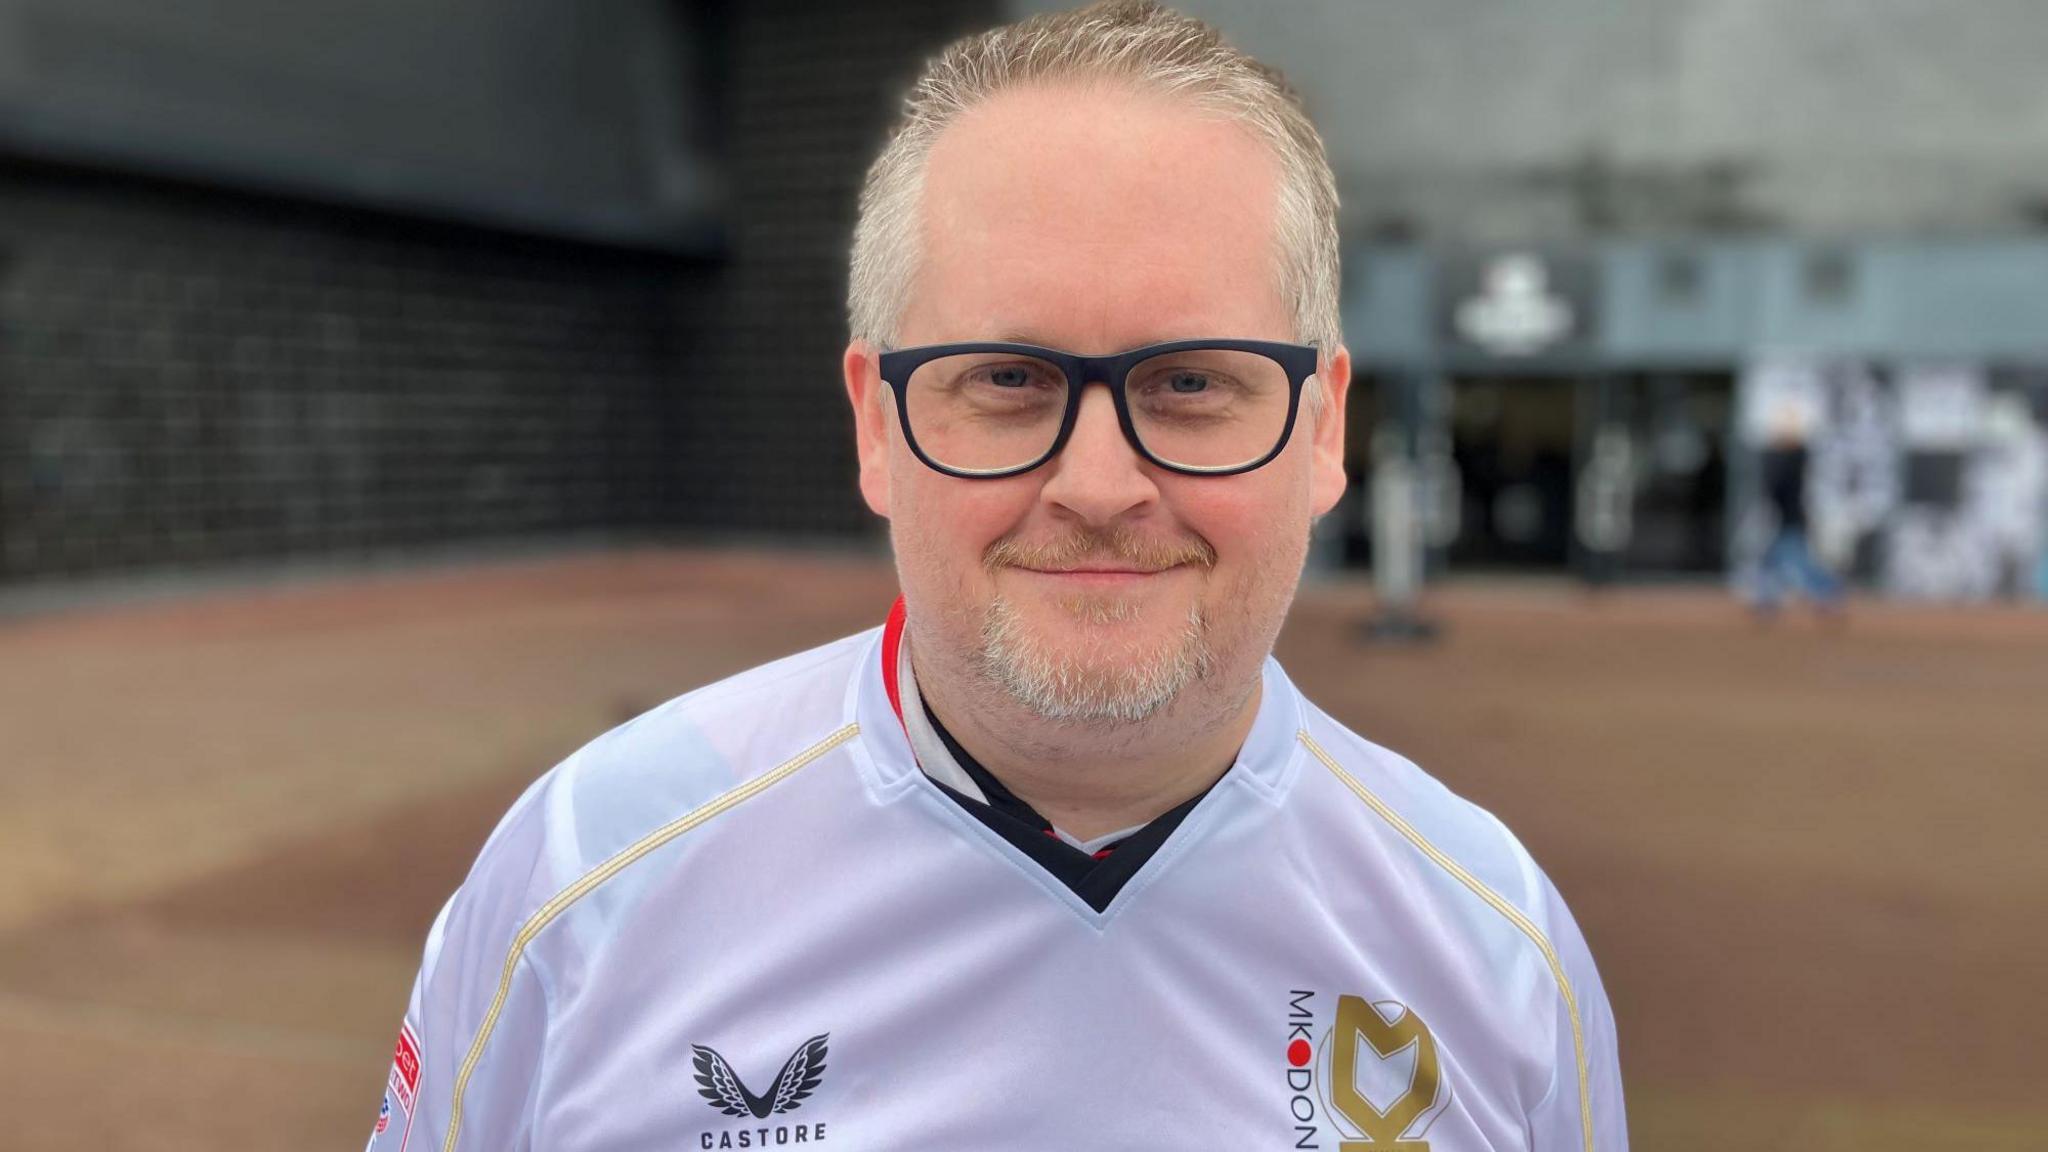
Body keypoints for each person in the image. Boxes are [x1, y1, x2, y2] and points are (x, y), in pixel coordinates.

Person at [366, 4, 1626, 1150]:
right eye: (1006, 382)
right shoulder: (584, 883)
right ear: (874, 424)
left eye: (1189, 383)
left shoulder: (1494, 950)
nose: (1096, 485)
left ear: (1317, 429)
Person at [1752, 406, 1844, 617]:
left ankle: (1828, 592)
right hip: (1788, 520)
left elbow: (1776, 486)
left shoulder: (1795, 458)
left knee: (1797, 564)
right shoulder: (1791, 458)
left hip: (1791, 520)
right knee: (1776, 561)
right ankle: (1768, 601)